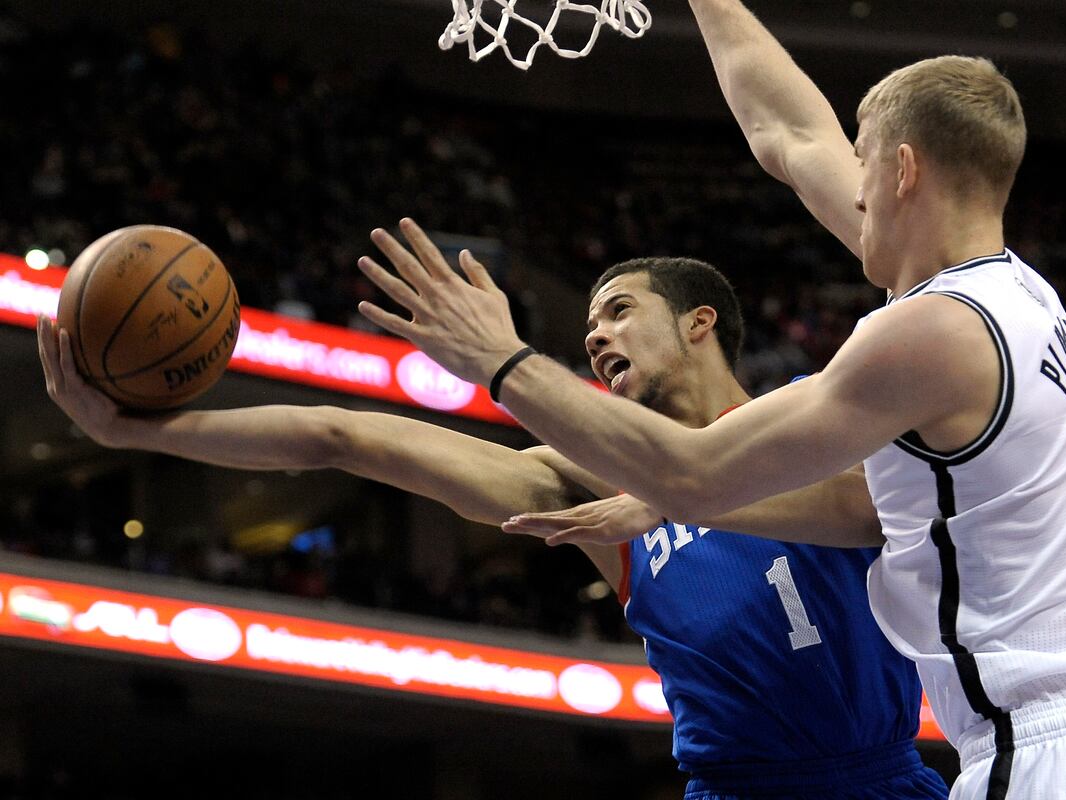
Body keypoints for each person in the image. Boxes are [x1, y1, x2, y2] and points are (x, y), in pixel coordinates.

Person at [351, 34, 1066, 800]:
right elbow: (789, 139)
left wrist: (499, 360)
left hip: (1052, 759)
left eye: (863, 164)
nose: (851, 188)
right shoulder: (1021, 295)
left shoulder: (929, 333)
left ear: (903, 172)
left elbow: (686, 468)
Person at [37, 257, 948, 799]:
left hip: (881, 775)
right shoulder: (588, 490)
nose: (594, 336)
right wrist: (134, 432)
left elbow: (885, 505)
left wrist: (678, 492)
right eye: (587, 325)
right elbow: (342, 437)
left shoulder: (808, 416)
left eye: (618, 310)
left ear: (701, 322)